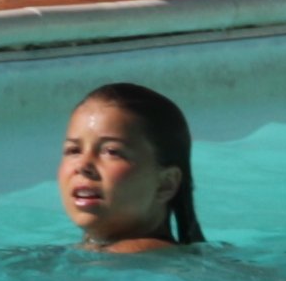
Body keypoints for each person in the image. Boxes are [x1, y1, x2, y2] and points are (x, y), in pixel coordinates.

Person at [57, 82, 204, 251]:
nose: (83, 165)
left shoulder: (130, 253)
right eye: (73, 150)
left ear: (165, 184)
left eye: (111, 151)